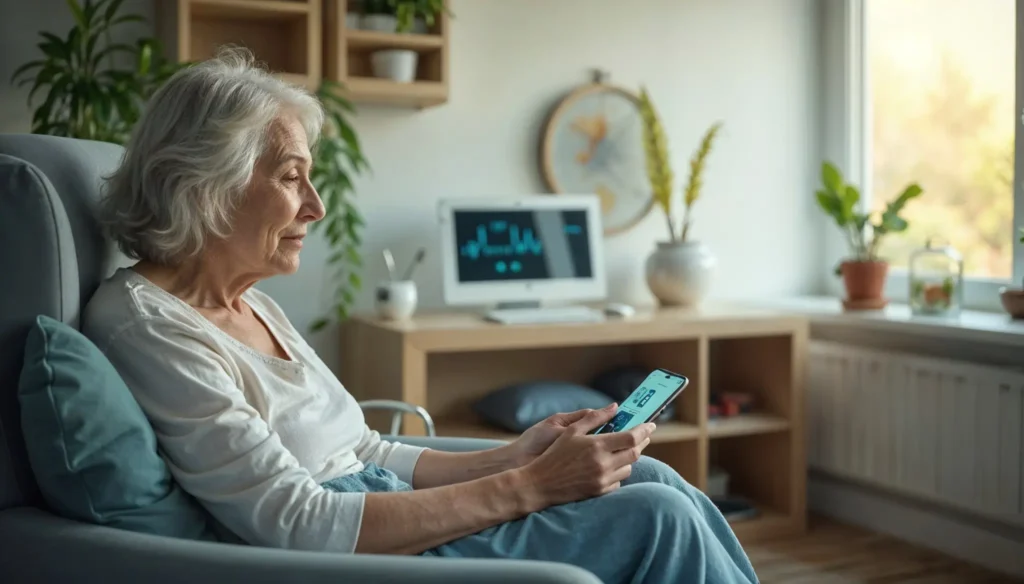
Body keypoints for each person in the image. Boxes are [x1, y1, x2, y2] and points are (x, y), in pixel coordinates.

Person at [83, 48, 758, 584]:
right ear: (206, 182)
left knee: (653, 478)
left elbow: (366, 449)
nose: (316, 207)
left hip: (383, 506)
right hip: (372, 550)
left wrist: (514, 454)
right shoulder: (147, 324)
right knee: (658, 516)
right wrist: (529, 485)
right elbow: (296, 522)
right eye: (292, 179)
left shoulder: (250, 301)